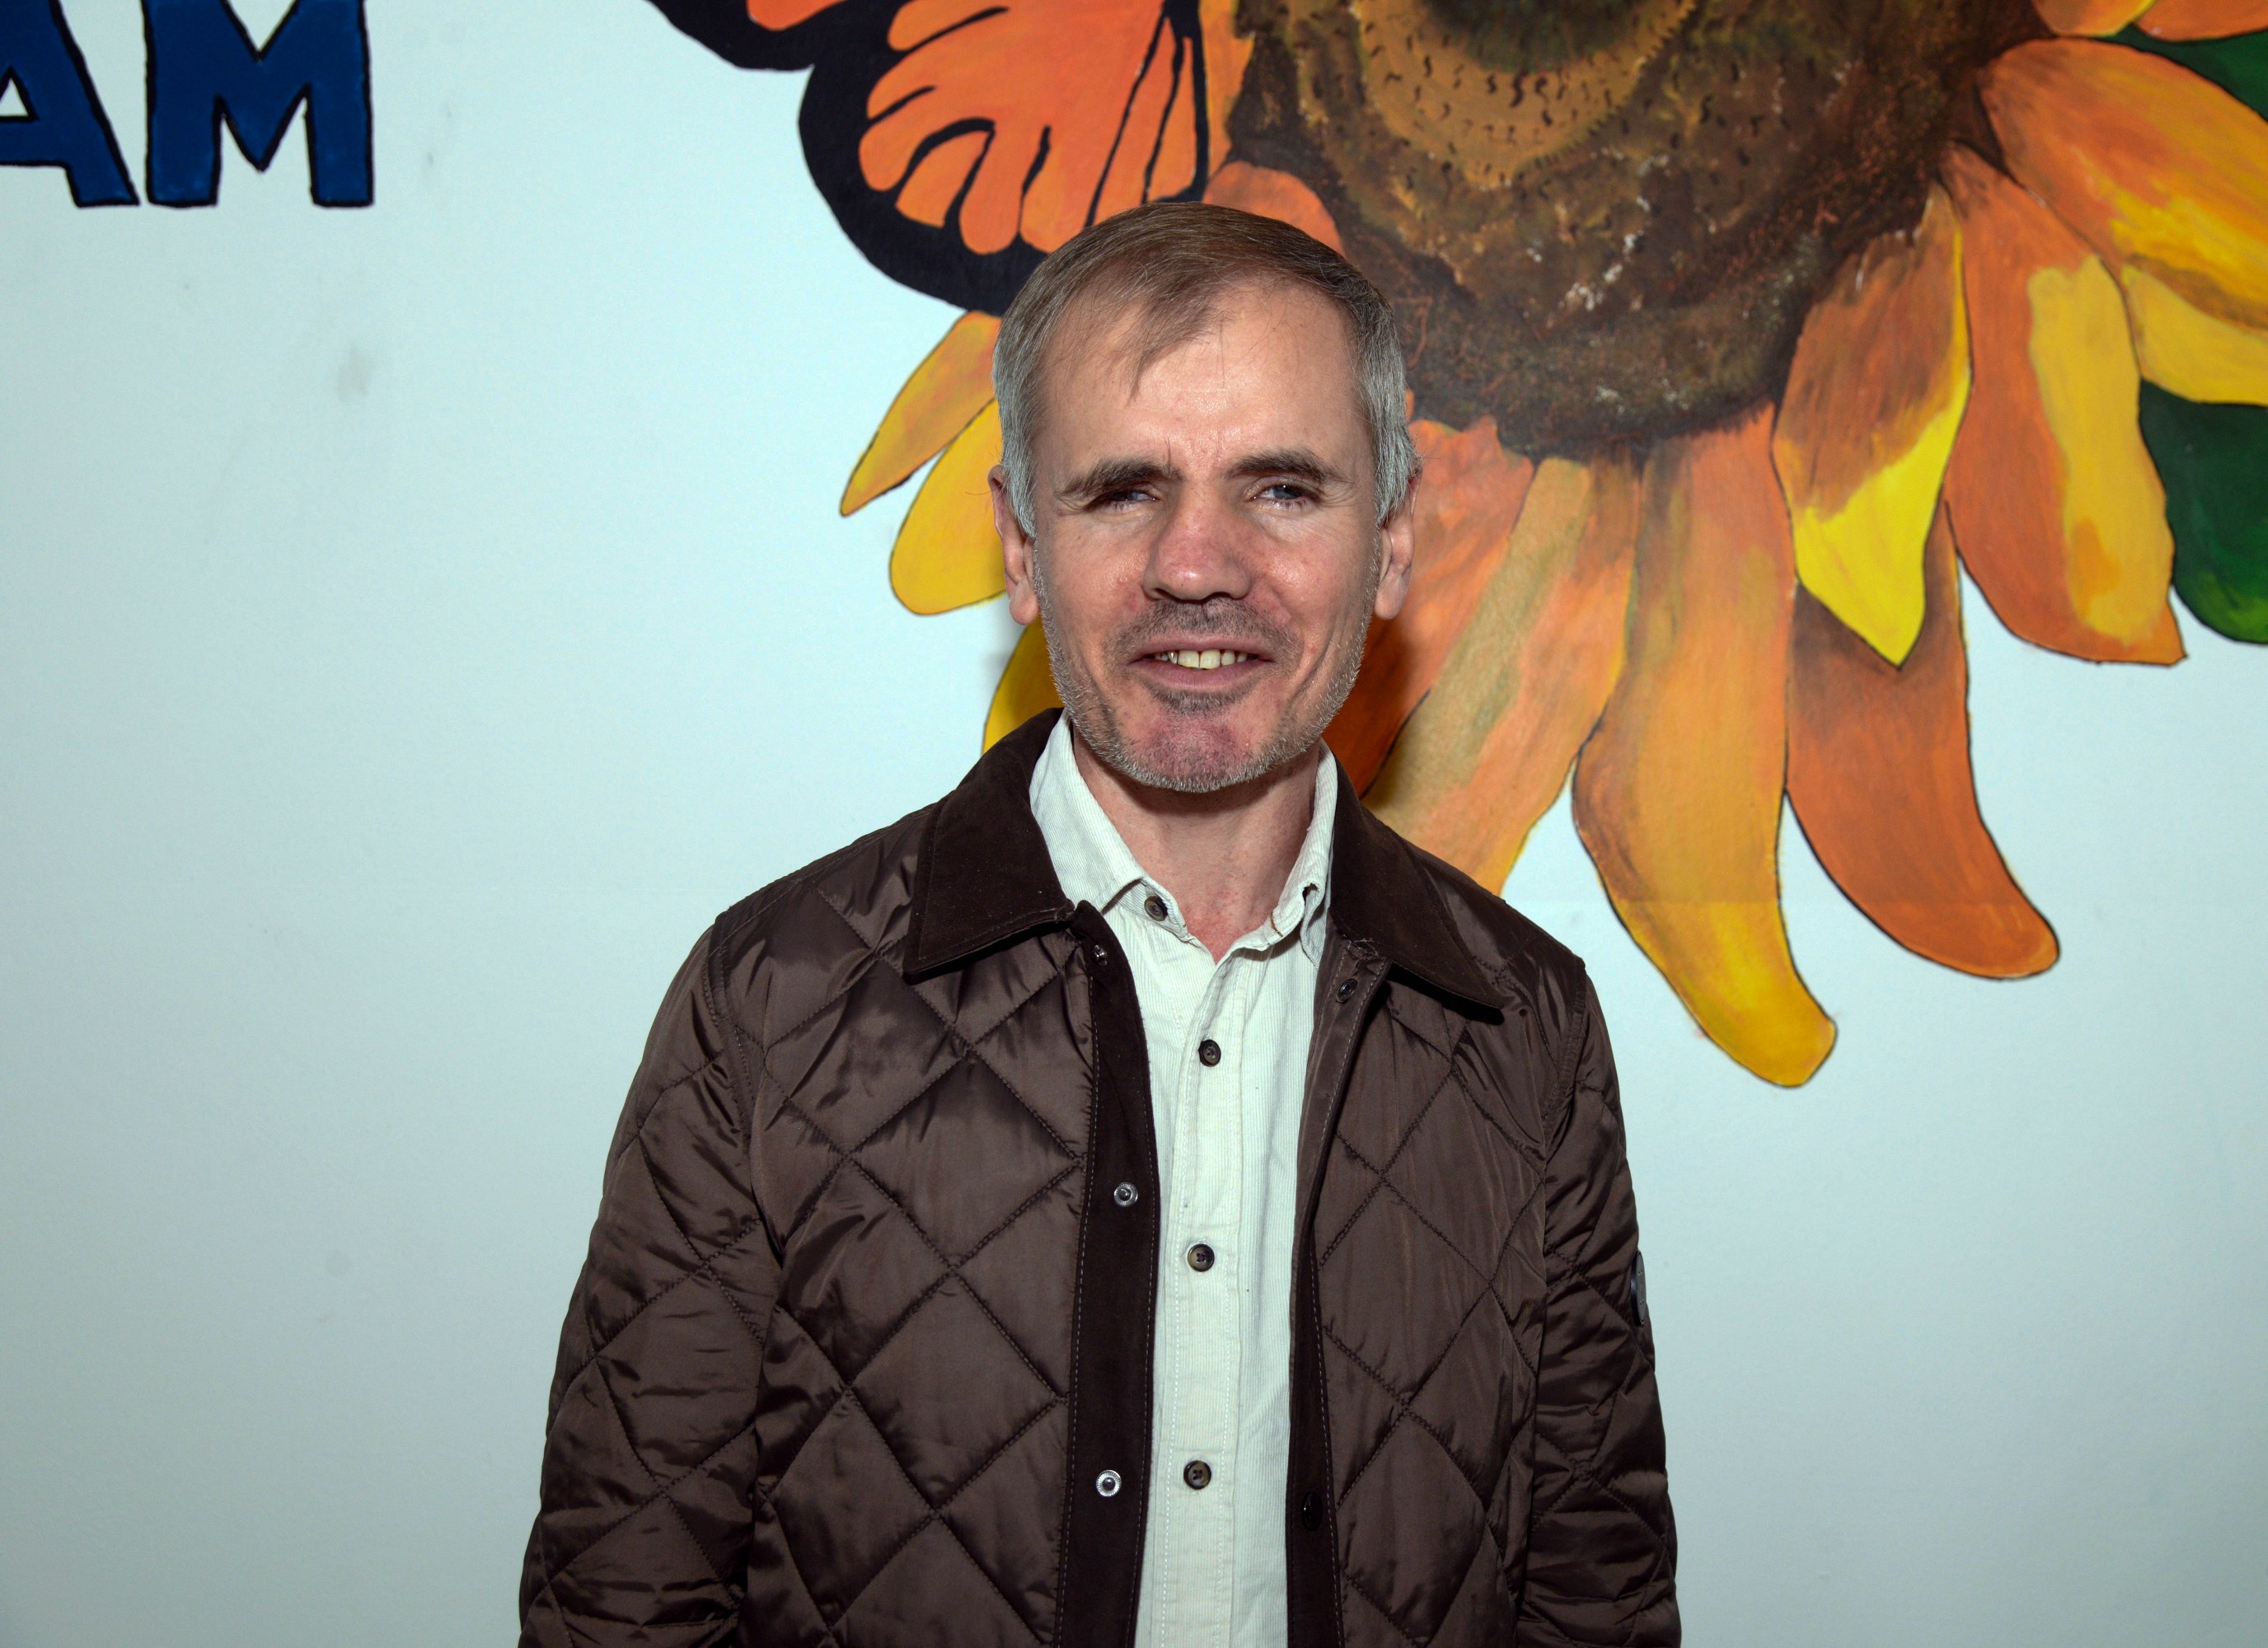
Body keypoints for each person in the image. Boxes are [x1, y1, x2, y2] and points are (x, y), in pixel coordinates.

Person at [520, 200, 1676, 1648]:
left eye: (1281, 490)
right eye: (1124, 491)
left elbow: (1595, 1603)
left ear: (1391, 543)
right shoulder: (773, 1004)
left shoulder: (1527, 1027)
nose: (1197, 565)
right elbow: (621, 1608)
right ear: (1020, 545)